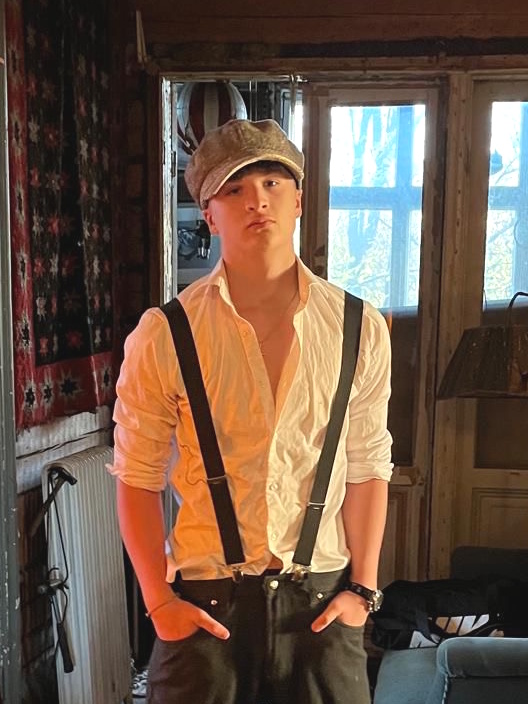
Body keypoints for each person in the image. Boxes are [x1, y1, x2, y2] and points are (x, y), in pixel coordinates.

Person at [109, 118, 393, 704]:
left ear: (298, 200)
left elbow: (368, 465)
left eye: (271, 182)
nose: (256, 200)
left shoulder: (358, 327)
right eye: (233, 189)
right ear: (210, 216)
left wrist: (363, 590)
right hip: (206, 608)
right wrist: (158, 602)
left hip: (322, 606)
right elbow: (137, 477)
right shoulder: (165, 333)